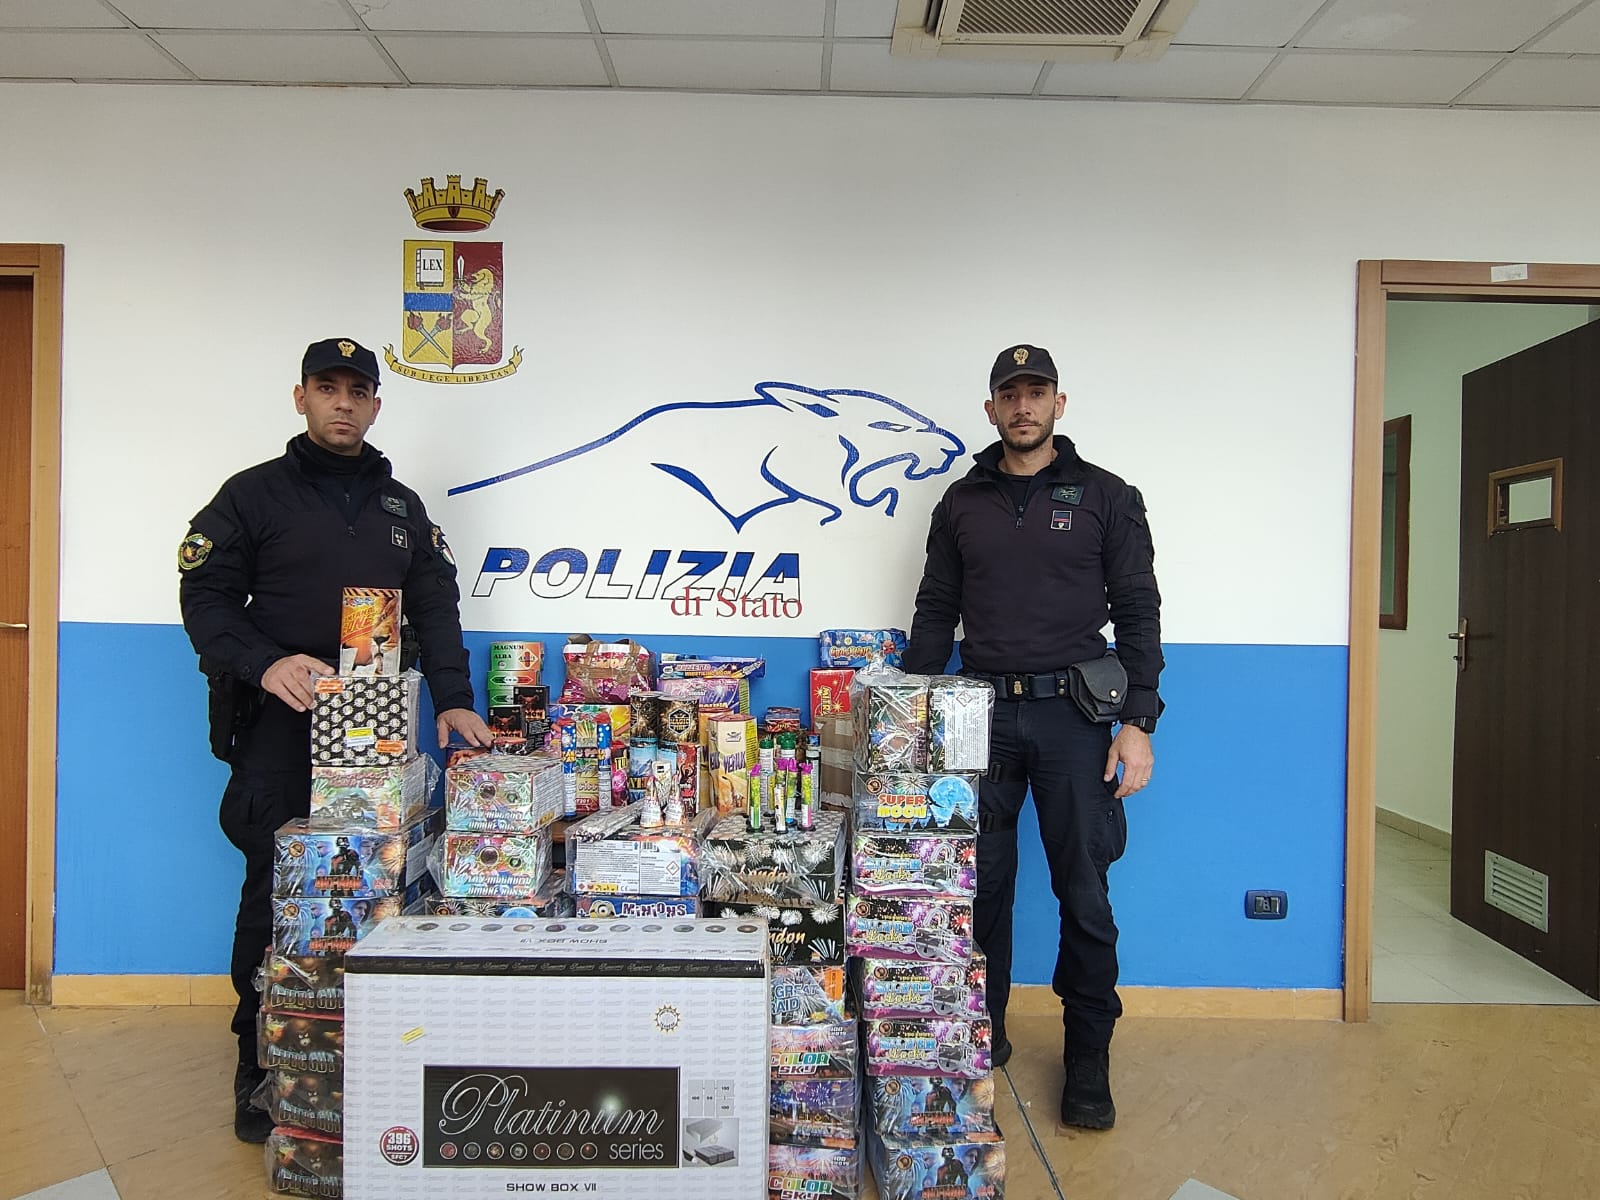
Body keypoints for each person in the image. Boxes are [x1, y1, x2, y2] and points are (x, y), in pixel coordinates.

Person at [178, 337, 491, 1142]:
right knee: (277, 890)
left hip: (376, 729)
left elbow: (436, 609)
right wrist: (265, 662)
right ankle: (262, 1063)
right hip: (280, 724)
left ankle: (368, 1051)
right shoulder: (251, 496)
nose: (343, 402)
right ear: (301, 397)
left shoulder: (402, 509)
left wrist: (454, 701)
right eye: (327, 387)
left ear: (376, 405)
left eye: (357, 390)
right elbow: (206, 596)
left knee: (380, 883)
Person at [904, 343, 1163, 1131]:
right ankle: (984, 1032)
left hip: (1074, 720)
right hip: (978, 717)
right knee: (978, 887)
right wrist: (910, 715)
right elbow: (935, 609)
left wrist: (1138, 723)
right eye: (1010, 394)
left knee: (1082, 892)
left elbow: (1139, 611)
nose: (1023, 406)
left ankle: (1088, 1059)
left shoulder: (1107, 496)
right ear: (991, 409)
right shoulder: (961, 502)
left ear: (1059, 403)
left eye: (1037, 392)